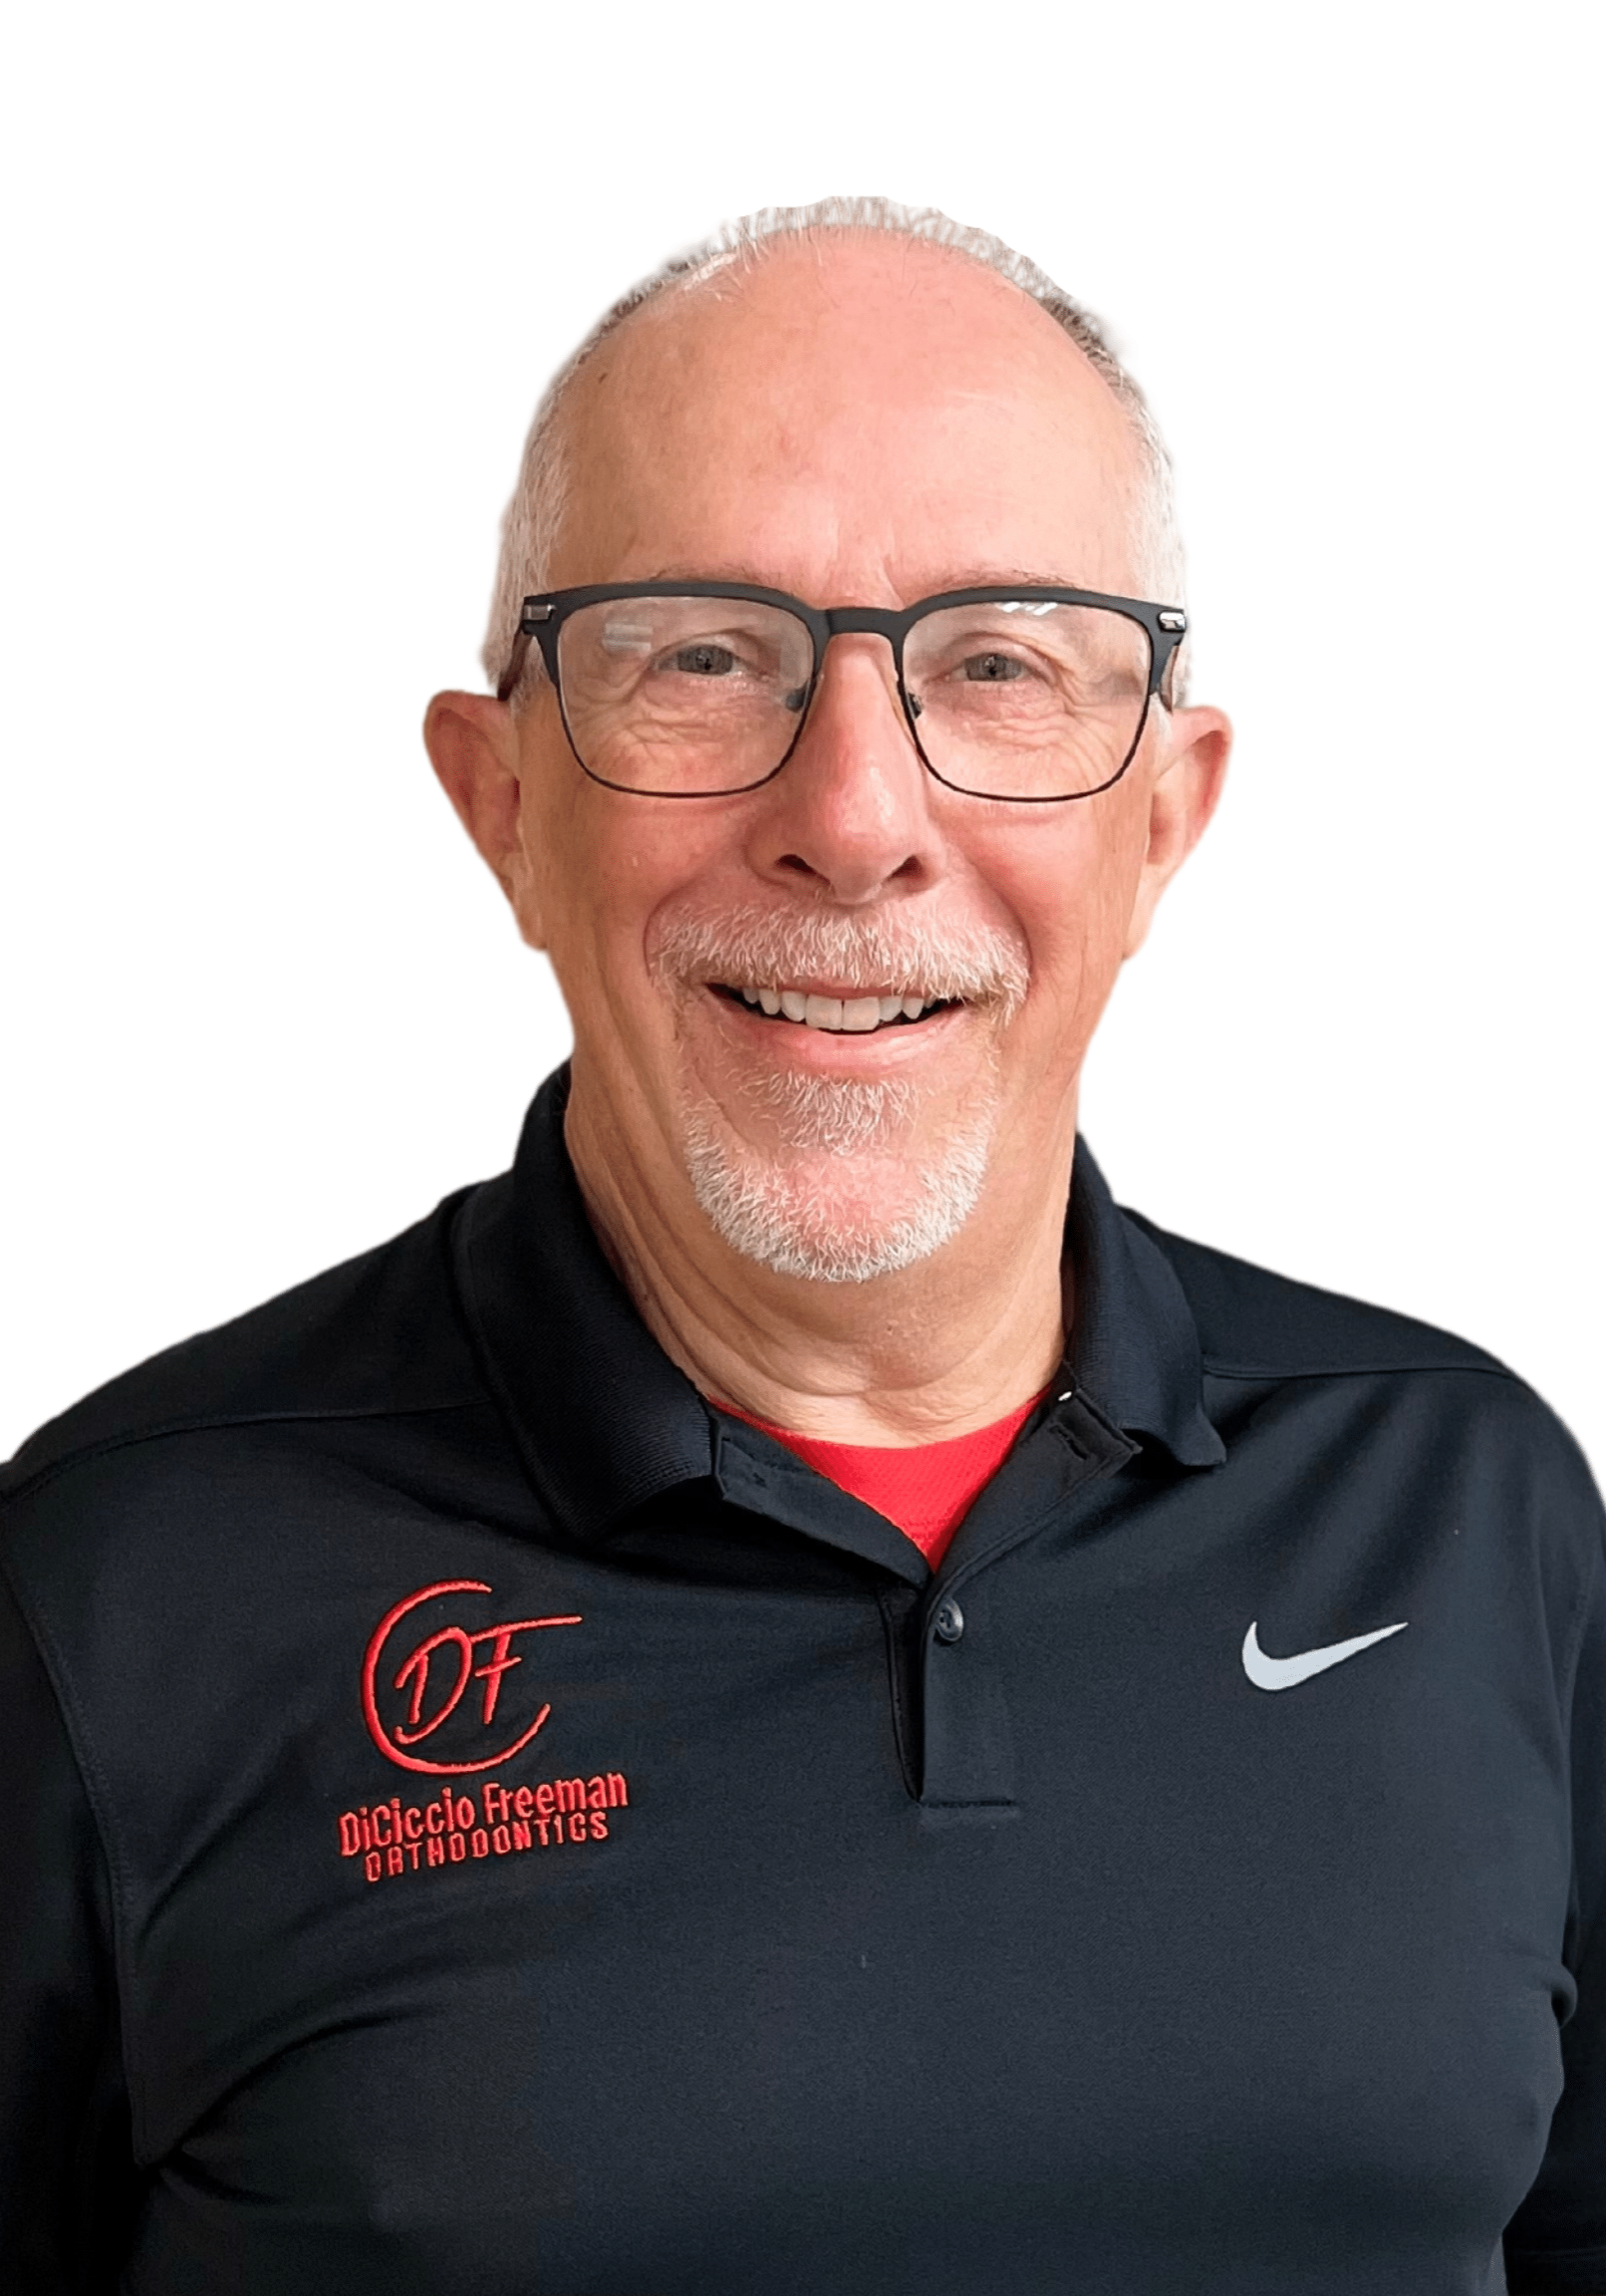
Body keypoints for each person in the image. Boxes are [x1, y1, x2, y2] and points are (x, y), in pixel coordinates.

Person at [1, 197, 1600, 2296]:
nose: (852, 818)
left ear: (1160, 820)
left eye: (1000, 666)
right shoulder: (119, 1588)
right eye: (699, 656)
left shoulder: (1461, 1508)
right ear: (499, 805)